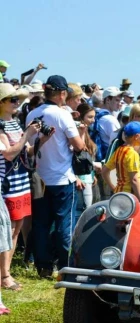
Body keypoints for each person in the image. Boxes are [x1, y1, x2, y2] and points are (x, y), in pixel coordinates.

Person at [26, 75, 86, 278]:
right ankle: (64, 266)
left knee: (41, 224)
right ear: (62, 94)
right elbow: (79, 146)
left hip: (40, 177)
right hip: (61, 177)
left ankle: (43, 266)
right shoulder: (62, 115)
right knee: (64, 224)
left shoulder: (32, 113)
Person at [0, 84, 41, 291]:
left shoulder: (15, 123)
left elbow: (27, 152)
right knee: (8, 230)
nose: (17, 103)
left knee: (16, 230)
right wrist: (27, 134)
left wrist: (42, 139)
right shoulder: (0, 125)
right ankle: (4, 275)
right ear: (1, 103)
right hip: (7, 185)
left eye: (17, 99)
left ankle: (5, 272)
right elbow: (8, 154)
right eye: (12, 100)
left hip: (20, 181)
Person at [102, 121, 140, 203]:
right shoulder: (132, 154)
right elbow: (134, 180)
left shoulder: (120, 150)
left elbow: (104, 171)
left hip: (119, 194)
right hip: (130, 198)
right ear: (137, 137)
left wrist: (113, 188)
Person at [74, 104, 99, 220]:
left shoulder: (87, 132)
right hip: (80, 181)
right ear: (82, 117)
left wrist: (92, 173)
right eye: (90, 117)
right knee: (81, 215)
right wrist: (75, 177)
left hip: (88, 179)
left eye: (94, 117)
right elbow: (76, 155)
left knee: (88, 212)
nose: (93, 120)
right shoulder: (77, 132)